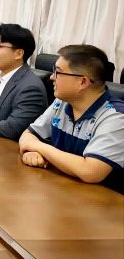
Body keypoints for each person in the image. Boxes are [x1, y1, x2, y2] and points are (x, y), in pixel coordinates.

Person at [19, 45, 123, 190]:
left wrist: (39, 147)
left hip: (102, 199)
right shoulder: (62, 102)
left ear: (82, 82)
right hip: (62, 188)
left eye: (58, 72)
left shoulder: (116, 116)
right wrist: (33, 152)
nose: (52, 77)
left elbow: (91, 171)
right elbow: (27, 135)